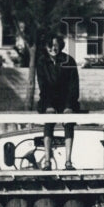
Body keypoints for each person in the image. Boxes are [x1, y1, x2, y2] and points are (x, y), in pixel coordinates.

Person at [35, 34, 80, 170]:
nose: (53, 48)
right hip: (48, 99)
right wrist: (48, 105)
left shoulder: (69, 61)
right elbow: (43, 86)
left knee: (68, 122)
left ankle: (68, 161)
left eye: (55, 45)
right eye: (50, 45)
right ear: (45, 47)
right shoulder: (42, 62)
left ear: (60, 45)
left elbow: (74, 86)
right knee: (49, 121)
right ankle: (47, 161)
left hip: (66, 99)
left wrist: (69, 105)